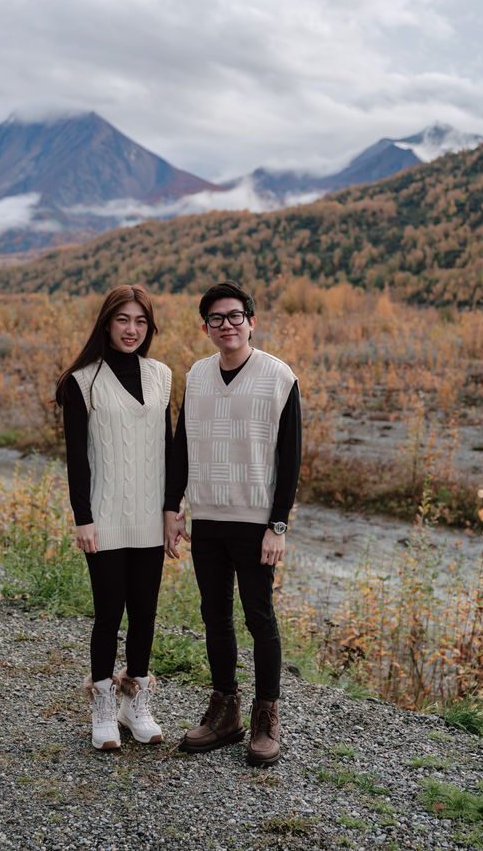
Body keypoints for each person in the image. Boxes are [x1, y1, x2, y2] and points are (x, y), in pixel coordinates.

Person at [164, 280, 301, 767]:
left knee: (259, 616)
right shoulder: (197, 375)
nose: (227, 325)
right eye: (216, 319)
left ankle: (267, 717)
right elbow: (181, 446)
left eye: (235, 316)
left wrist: (278, 526)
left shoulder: (278, 376)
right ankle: (225, 712)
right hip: (208, 517)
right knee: (214, 615)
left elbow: (291, 458)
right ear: (206, 327)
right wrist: (172, 506)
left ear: (251, 321)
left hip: (256, 520)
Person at [56, 285, 172, 751]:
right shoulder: (81, 381)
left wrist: (172, 510)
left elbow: (170, 450)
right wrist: (83, 518)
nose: (132, 330)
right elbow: (77, 460)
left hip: (150, 515)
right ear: (106, 323)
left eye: (141, 321)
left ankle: (135, 703)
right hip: (103, 515)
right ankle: (103, 706)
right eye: (123, 320)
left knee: (145, 611)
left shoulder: (162, 375)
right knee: (109, 613)